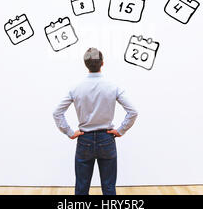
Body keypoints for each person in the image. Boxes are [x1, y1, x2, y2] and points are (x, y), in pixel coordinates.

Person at [52, 47, 138, 195]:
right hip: (107, 139)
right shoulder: (113, 86)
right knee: (109, 187)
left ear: (85, 64)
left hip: (84, 139)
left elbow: (57, 112)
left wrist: (69, 132)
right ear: (102, 63)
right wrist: (121, 130)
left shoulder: (76, 88)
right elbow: (133, 111)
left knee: (81, 188)